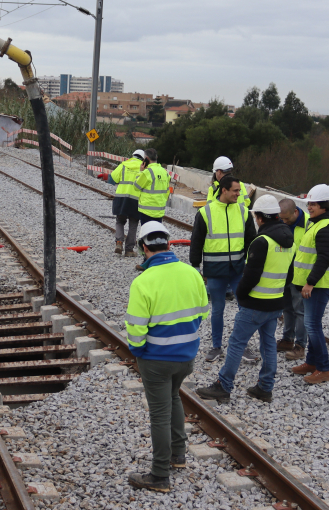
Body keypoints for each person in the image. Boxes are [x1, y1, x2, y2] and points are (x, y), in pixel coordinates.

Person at [124, 222, 208, 493]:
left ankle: (160, 475)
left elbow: (136, 327)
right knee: (173, 397)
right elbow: (202, 312)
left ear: (143, 247)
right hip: (186, 355)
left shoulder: (143, 281)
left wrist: (138, 351)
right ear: (169, 245)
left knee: (159, 413)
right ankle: (178, 455)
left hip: (156, 358)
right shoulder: (191, 273)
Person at [196, 195, 295, 403]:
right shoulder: (289, 241)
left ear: (259, 218)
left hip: (255, 304)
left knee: (236, 343)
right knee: (268, 344)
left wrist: (240, 294)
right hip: (276, 303)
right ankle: (265, 387)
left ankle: (224, 385)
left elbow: (250, 276)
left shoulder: (262, 242)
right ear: (276, 215)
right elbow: (290, 277)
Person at [189, 176, 257, 363]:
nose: (239, 194)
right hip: (215, 270)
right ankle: (216, 347)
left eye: (239, 191)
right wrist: (195, 266)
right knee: (217, 309)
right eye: (235, 191)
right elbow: (196, 242)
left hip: (237, 270)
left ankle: (243, 345)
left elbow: (252, 241)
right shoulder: (205, 212)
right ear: (224, 190)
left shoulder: (243, 212)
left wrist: (252, 264)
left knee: (244, 308)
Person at [290, 184, 329, 384]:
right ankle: (312, 362)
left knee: (312, 325)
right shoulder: (318, 222)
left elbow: (324, 258)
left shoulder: (327, 227)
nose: (309, 207)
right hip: (317, 283)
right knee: (312, 324)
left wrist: (310, 283)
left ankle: (324, 369)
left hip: (321, 284)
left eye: (313, 204)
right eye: (309, 203)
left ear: (324, 205)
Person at [277, 197, 309, 360]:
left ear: (295, 212)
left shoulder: (309, 225)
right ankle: (287, 339)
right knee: (287, 308)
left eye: (287, 218)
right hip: (285, 274)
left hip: (301, 276)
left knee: (300, 310)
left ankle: (300, 345)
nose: (285, 222)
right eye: (282, 219)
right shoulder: (282, 222)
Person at [109, 149, 144, 256]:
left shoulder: (124, 164)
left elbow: (113, 177)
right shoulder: (143, 167)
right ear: (143, 158)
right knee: (133, 224)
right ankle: (129, 250)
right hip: (136, 199)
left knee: (120, 221)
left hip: (121, 197)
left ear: (132, 155)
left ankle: (119, 242)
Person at [134, 148, 171, 225]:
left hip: (146, 211)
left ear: (146, 159)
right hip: (160, 211)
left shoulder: (147, 172)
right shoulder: (165, 172)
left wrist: (140, 172)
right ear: (156, 158)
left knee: (147, 234)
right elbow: (167, 191)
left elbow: (136, 187)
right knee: (156, 234)